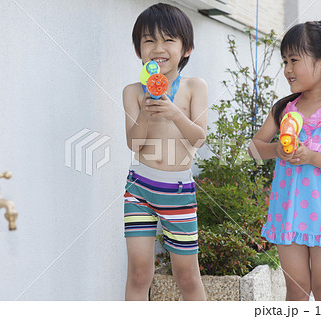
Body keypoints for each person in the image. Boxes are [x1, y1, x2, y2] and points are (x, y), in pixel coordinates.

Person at [248, 20, 321, 301]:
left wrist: (311, 156)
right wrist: (276, 150)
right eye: (285, 61)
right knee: (296, 290)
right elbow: (254, 148)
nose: (287, 69)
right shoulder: (283, 108)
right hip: (288, 212)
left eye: (294, 60)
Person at [122, 3, 207, 301]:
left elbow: (198, 138)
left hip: (177, 190)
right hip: (139, 187)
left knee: (187, 275)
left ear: (186, 49)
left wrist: (174, 113)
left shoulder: (195, 87)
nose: (158, 48)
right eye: (149, 40)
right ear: (138, 51)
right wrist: (146, 111)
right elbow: (134, 145)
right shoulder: (133, 91)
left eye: (169, 39)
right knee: (138, 273)